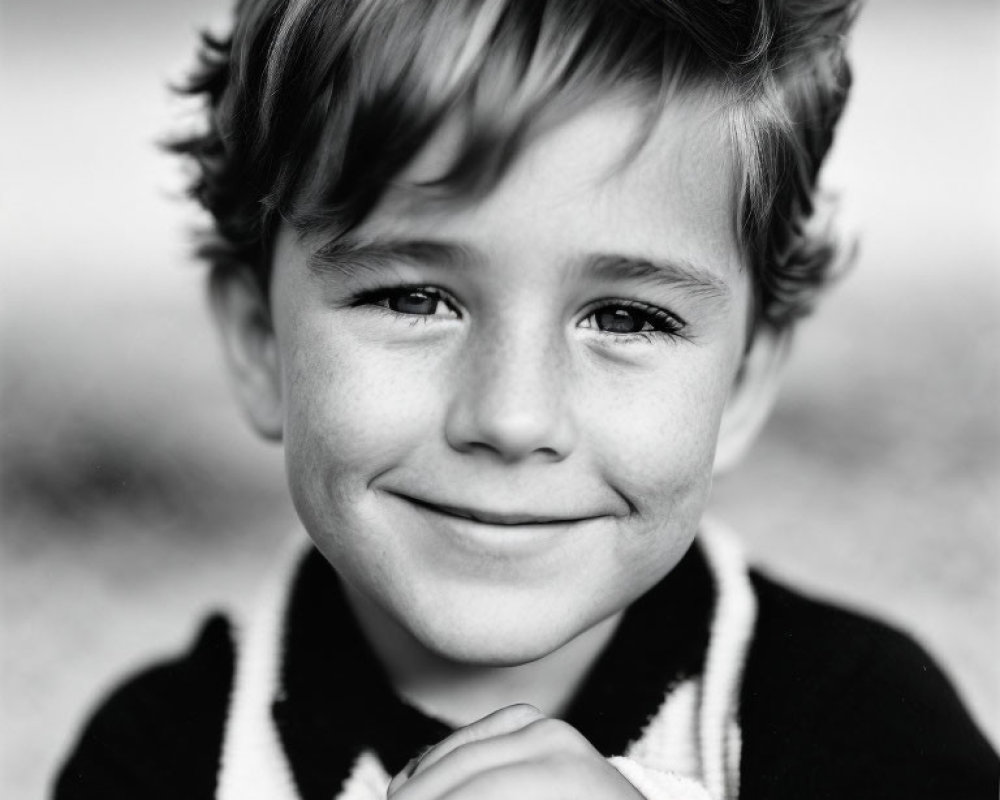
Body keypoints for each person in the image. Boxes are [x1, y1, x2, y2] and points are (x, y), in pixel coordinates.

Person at [54, 0, 999, 798]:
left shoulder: (858, 725)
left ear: (744, 379)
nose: (511, 418)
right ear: (262, 341)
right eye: (414, 298)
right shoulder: (166, 757)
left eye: (627, 318)